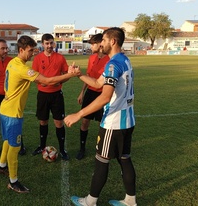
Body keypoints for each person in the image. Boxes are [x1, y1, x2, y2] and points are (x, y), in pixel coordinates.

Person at [0, 35, 80, 193]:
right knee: (14, 147)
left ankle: (1, 166)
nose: (33, 53)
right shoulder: (22, 68)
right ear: (21, 50)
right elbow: (46, 81)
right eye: (30, 50)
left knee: (7, 140)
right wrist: (70, 75)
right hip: (13, 113)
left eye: (34, 50)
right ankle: (13, 182)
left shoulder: (12, 62)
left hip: (4, 109)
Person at [64, 27, 137, 206]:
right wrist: (79, 75)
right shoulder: (124, 60)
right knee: (124, 160)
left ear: (112, 41)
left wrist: (78, 114)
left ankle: (90, 201)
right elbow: (97, 83)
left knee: (101, 162)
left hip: (114, 123)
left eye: (103, 40)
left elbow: (104, 96)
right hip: (128, 120)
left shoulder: (113, 64)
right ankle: (130, 201)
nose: (101, 43)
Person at [31, 33, 70, 160]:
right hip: (42, 94)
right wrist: (40, 82)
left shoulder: (60, 58)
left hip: (56, 95)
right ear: (42, 44)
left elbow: (66, 74)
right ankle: (42, 146)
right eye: (47, 43)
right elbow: (34, 77)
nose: (49, 46)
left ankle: (63, 149)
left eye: (51, 43)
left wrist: (61, 81)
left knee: (58, 122)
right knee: (43, 121)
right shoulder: (37, 59)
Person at [76, 33, 109, 160]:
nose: (91, 46)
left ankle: (102, 149)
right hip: (90, 92)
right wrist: (82, 92)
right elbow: (88, 76)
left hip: (103, 94)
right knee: (85, 121)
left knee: (103, 123)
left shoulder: (109, 60)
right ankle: (82, 148)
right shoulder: (91, 58)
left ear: (100, 44)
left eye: (93, 44)